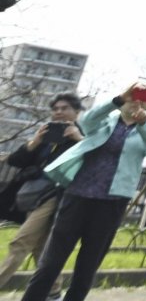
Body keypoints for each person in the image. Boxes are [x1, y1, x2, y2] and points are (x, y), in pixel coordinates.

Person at [20, 83, 146, 301]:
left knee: (87, 268)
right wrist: (118, 98)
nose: (134, 102)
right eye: (131, 98)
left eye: (140, 99)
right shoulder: (103, 122)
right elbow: (85, 122)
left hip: (111, 204)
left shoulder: (145, 132)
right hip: (77, 197)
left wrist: (144, 123)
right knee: (50, 263)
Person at [0, 93, 83, 290]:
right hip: (34, 195)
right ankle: (54, 291)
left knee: (21, 241)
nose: (59, 112)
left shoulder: (85, 135)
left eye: (64, 108)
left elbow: (95, 162)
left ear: (77, 111)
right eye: (55, 109)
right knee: (42, 248)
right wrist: (35, 141)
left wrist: (79, 139)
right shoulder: (47, 136)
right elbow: (15, 161)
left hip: (57, 196)